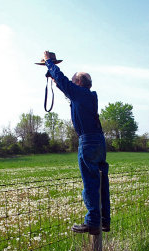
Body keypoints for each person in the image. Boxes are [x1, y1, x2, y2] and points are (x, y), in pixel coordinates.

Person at [43, 51, 110, 235]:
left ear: (79, 83)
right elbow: (64, 85)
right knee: (101, 181)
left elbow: (64, 82)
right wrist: (55, 79)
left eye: (73, 82)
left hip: (88, 142)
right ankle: (104, 220)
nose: (71, 84)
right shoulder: (87, 96)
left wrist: (49, 62)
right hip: (99, 141)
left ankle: (92, 222)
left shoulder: (79, 93)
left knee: (90, 182)